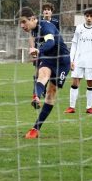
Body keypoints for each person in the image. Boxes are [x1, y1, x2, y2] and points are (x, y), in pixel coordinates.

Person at [18, 7, 70, 139]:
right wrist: (38, 59)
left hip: (62, 61)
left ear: (33, 19)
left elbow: (50, 42)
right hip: (48, 58)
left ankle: (36, 127)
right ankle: (36, 96)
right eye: (20, 23)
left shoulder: (45, 27)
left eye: (24, 22)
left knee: (51, 94)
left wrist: (38, 51)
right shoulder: (33, 31)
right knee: (42, 75)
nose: (22, 25)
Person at [65, 8, 92, 114]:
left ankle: (89, 107)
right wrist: (71, 60)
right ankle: (71, 107)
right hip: (78, 60)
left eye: (91, 16)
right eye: (87, 16)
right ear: (84, 17)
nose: (89, 18)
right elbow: (74, 45)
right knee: (74, 83)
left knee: (90, 83)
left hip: (91, 62)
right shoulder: (78, 28)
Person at [28, 2, 60, 104]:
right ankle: (37, 92)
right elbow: (32, 36)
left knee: (48, 72)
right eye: (44, 9)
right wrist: (33, 48)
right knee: (38, 71)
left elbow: (57, 36)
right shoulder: (38, 23)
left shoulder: (55, 22)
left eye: (48, 9)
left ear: (51, 12)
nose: (46, 11)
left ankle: (43, 90)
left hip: (52, 51)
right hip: (40, 51)